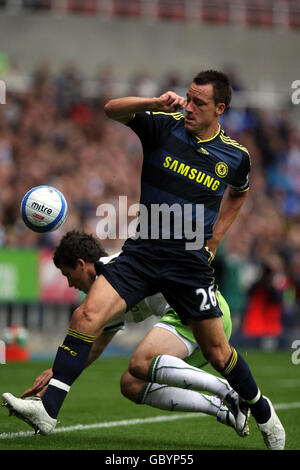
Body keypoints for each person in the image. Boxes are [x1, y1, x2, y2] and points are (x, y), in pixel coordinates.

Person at [2, 70, 285, 449]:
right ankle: (49, 409)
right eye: (188, 97)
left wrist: (214, 240)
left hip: (188, 262)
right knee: (87, 316)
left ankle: (263, 411)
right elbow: (110, 110)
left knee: (219, 353)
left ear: (219, 108)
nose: (190, 106)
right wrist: (152, 103)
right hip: (143, 252)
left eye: (199, 103)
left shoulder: (235, 156)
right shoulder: (162, 126)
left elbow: (240, 193)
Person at [18, 230, 248, 437]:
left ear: (82, 264)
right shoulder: (106, 294)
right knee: (131, 384)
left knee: (140, 362)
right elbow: (96, 345)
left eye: (68, 275)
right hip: (200, 321)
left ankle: (229, 392)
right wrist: (58, 375)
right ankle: (222, 409)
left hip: (202, 314)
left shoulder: (116, 273)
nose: (70, 284)